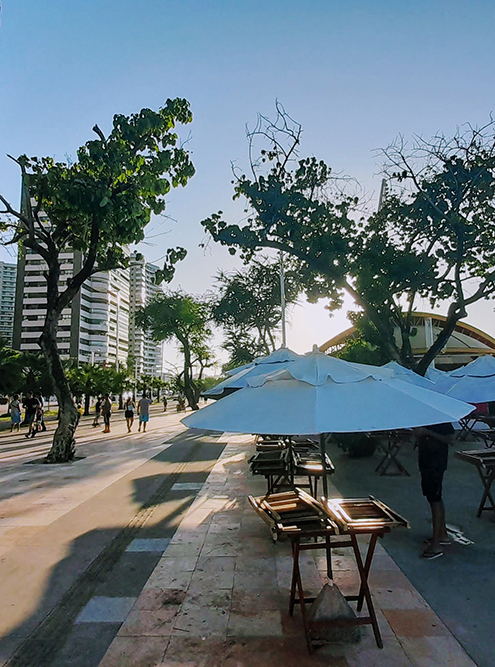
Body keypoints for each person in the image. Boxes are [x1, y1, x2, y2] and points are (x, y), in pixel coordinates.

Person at [414, 422, 455, 559]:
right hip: (426, 463)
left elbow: (451, 439)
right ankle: (442, 534)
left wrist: (426, 432)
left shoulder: (442, 421)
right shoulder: (425, 418)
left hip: (436, 464)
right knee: (433, 498)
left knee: (435, 500)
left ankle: (436, 545)